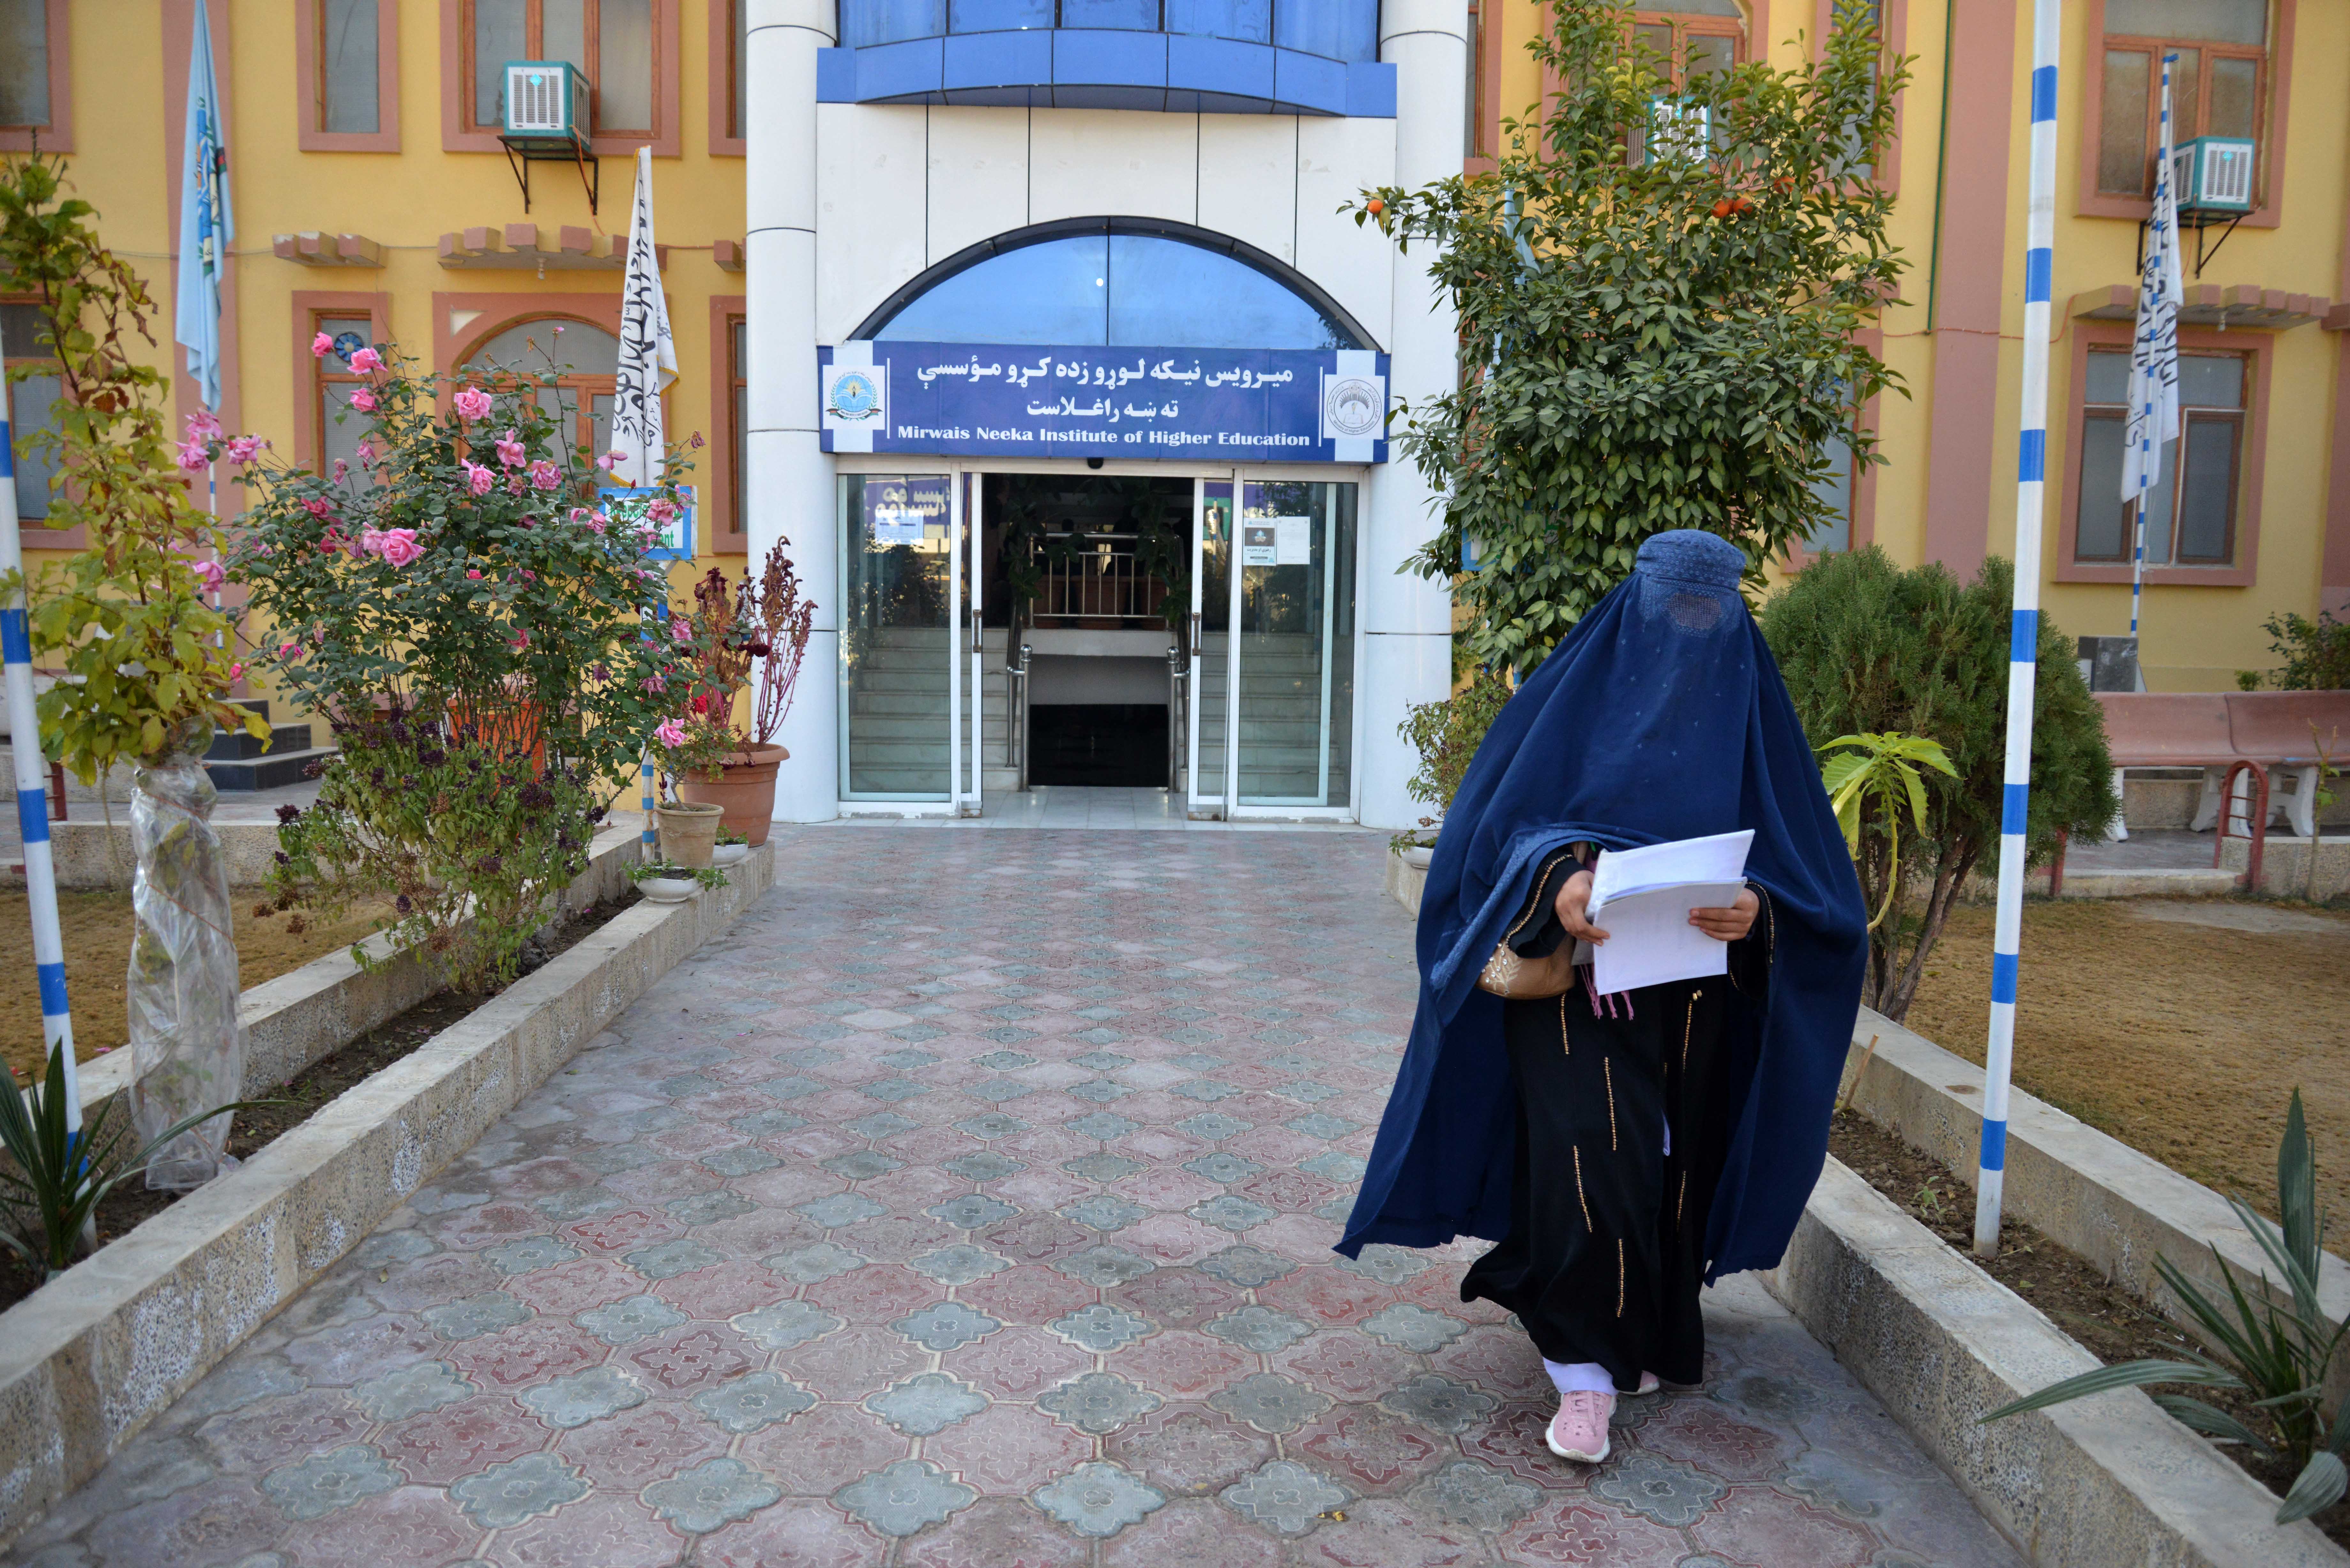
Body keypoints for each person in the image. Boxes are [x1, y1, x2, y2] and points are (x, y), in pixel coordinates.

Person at [1338, 529, 1866, 1466]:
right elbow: (1491, 835)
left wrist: (1757, 908)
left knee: (1669, 1175)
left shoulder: (1756, 725)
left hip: (1695, 1008)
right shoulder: (1571, 703)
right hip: (1574, 994)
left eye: (1710, 615)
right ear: (1634, 608)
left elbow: (1815, 887)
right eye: (1672, 610)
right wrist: (1561, 880)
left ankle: (1641, 1330)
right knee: (1593, 1163)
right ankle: (1583, 1375)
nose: (1688, 637)